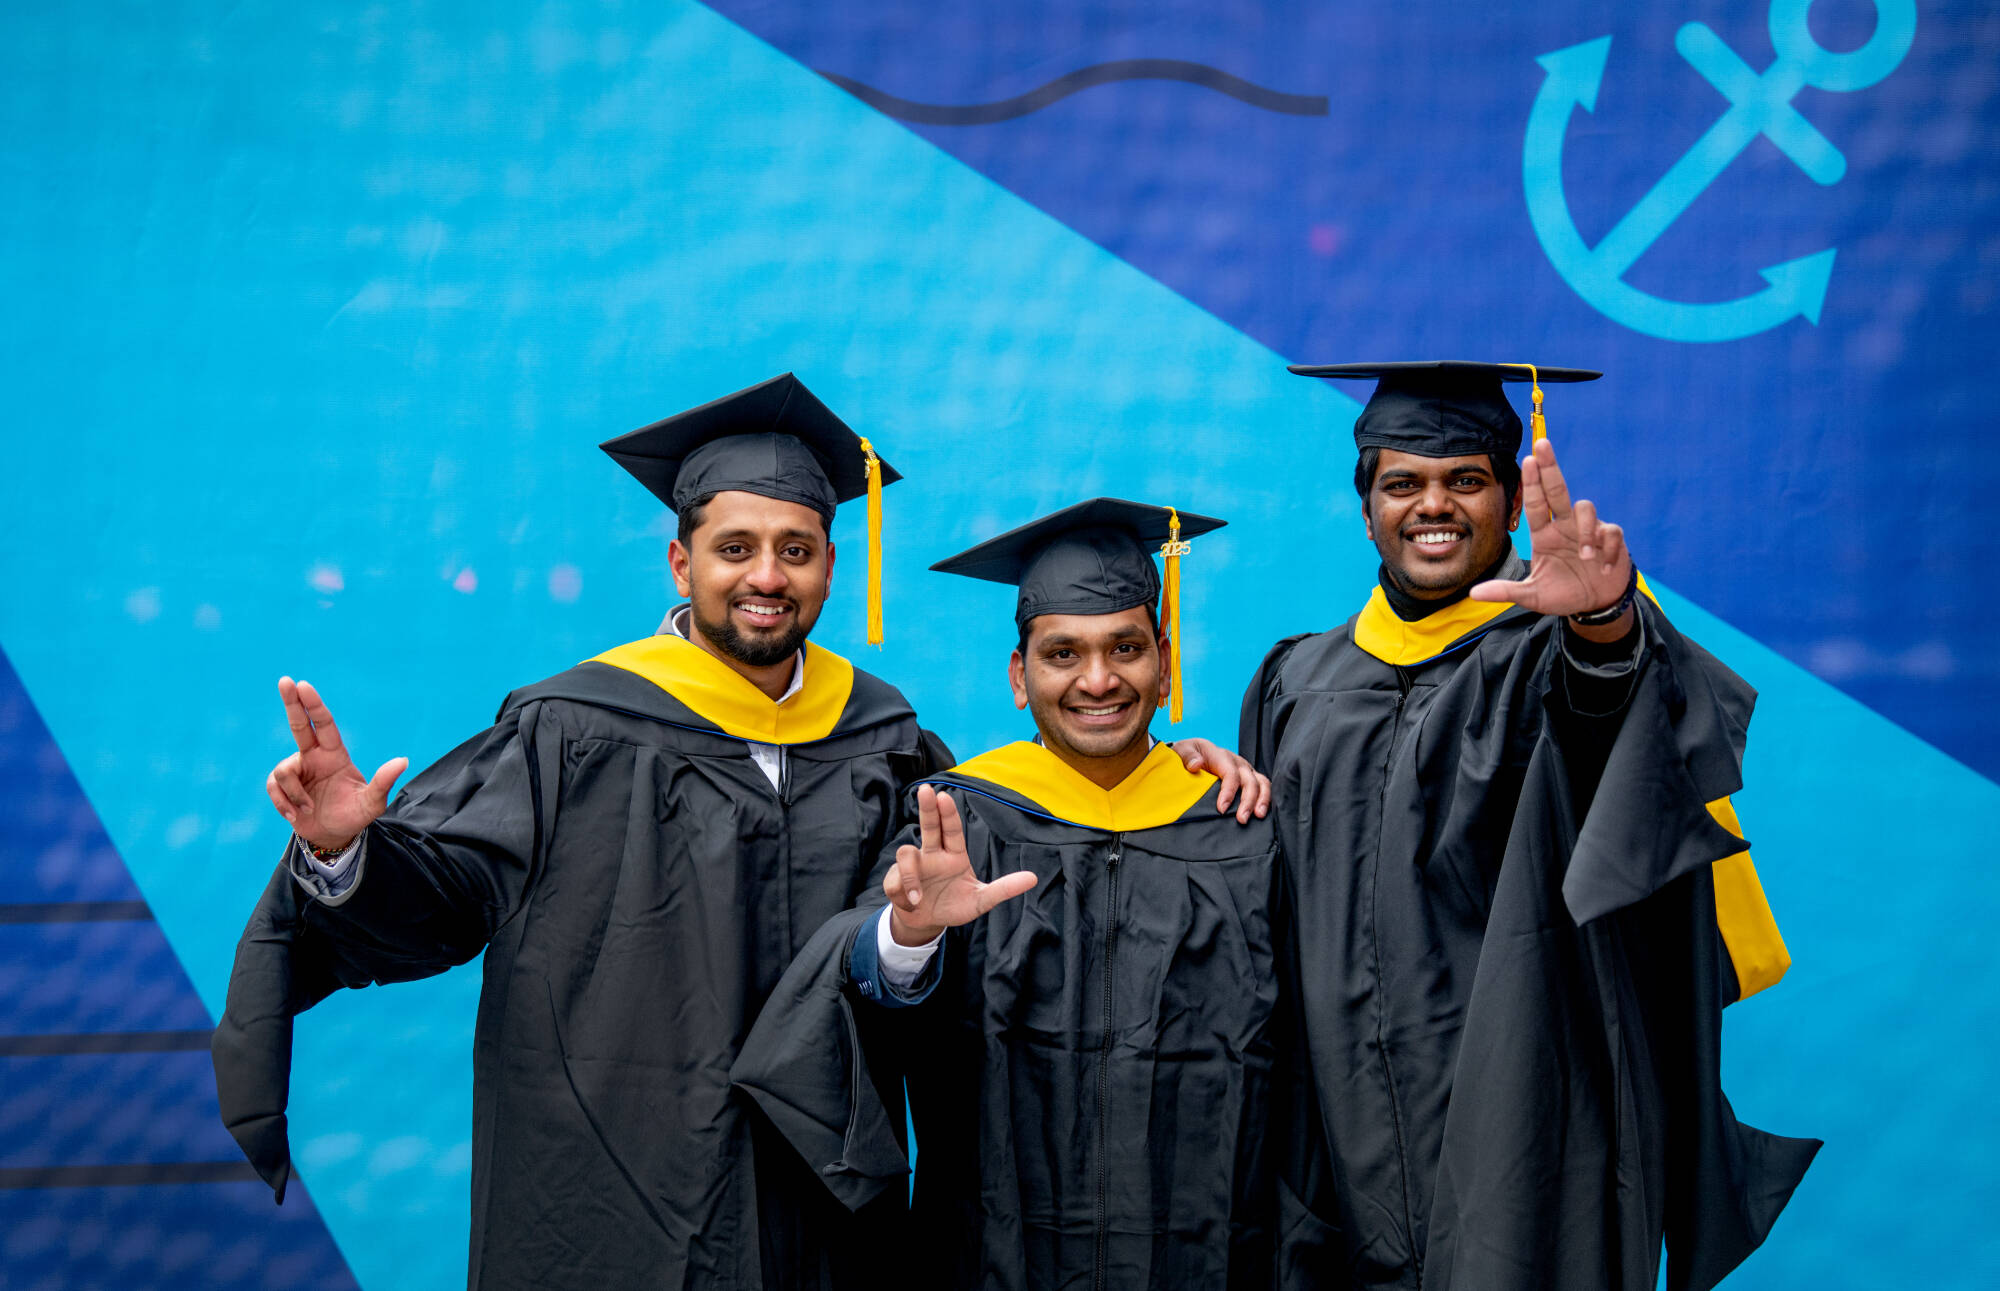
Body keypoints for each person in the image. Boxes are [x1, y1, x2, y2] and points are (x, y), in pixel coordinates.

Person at [211, 376, 1265, 1290]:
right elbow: (439, 904)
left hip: (817, 1192)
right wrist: (348, 851)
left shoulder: (887, 742)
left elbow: (962, 918)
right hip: (610, 1184)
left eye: (796, 548)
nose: (767, 574)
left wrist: (1181, 764)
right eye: (736, 547)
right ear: (681, 562)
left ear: (828, 563)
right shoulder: (571, 726)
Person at [1240, 361, 1818, 1291]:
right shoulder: (1296, 684)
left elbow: (1619, 755)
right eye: (1403, 484)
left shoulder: (1560, 645)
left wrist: (1603, 629)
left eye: (1466, 480)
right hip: (1335, 1150)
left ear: (1512, 505)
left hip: (1534, 1117)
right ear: (1366, 512)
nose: (1434, 504)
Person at [734, 498, 1282, 1290]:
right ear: (1020, 676)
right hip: (992, 1257)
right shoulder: (961, 820)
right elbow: (856, 975)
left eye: (1125, 647)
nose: (1098, 679)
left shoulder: (1240, 829)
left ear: (1164, 665)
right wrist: (909, 938)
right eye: (1063, 654)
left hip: (1212, 1255)